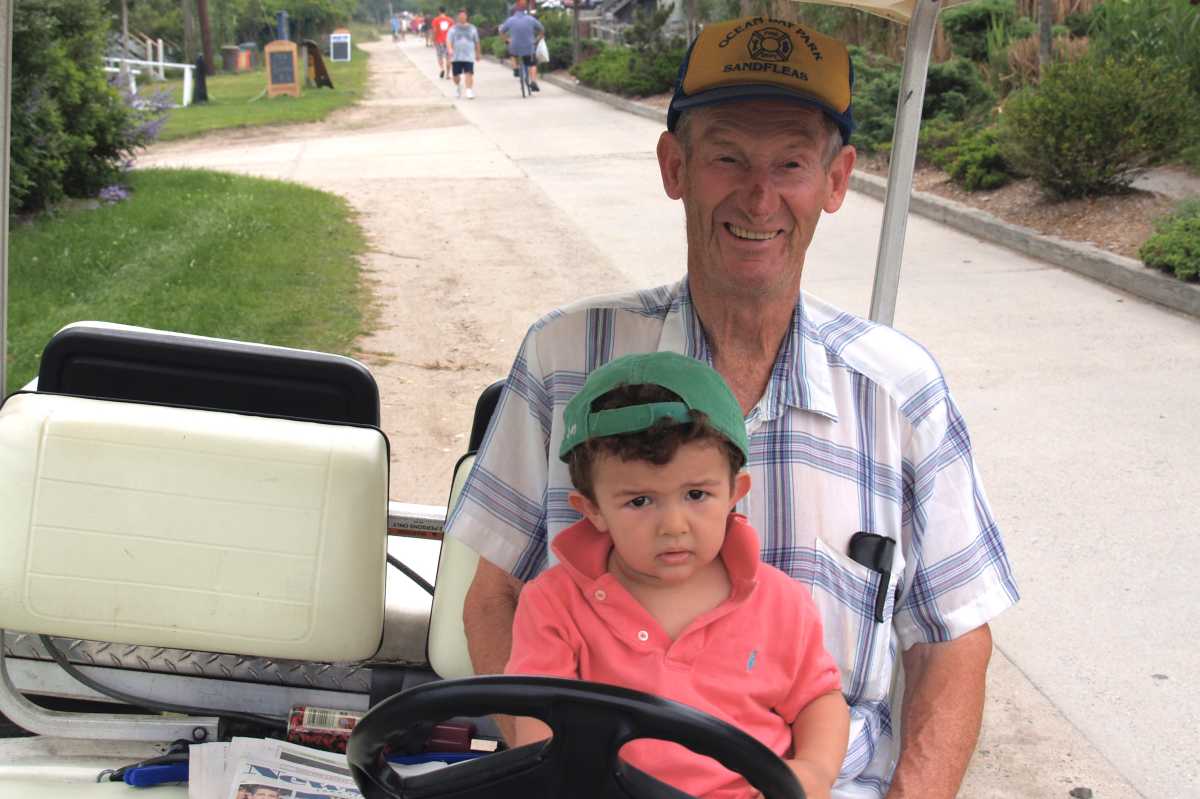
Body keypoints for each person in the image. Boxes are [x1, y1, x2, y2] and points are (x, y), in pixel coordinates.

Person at [447, 15, 1019, 799]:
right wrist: (553, 772)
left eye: (791, 162)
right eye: (727, 157)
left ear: (837, 180)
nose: (759, 195)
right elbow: (496, 596)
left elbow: (951, 641)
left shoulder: (901, 392)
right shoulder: (563, 358)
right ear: (674, 166)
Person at [506, 351, 850, 799]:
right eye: (640, 501)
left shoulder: (782, 602)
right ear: (593, 510)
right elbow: (538, 720)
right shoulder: (554, 603)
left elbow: (817, 700)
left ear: (735, 492)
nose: (673, 526)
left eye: (696, 495)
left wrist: (814, 770)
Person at [499, 0, 544, 92]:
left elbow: (502, 32)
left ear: (515, 10)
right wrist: (537, 40)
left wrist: (507, 40)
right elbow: (542, 30)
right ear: (525, 9)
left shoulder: (510, 20)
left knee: (511, 51)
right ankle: (533, 81)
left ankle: (515, 68)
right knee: (532, 64)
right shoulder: (531, 19)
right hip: (529, 47)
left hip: (515, 47)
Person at [447, 9, 482, 99]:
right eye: (460, 15)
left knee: (469, 73)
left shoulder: (472, 28)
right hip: (456, 56)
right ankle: (458, 86)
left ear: (467, 17)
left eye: (464, 15)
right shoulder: (453, 28)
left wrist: (478, 53)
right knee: (456, 76)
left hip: (469, 55)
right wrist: (450, 49)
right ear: (458, 17)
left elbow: (477, 41)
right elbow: (449, 40)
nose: (462, 17)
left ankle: (469, 90)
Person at [431, 7, 454, 79]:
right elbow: (453, 32)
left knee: (439, 56)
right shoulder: (450, 20)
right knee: (448, 58)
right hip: (448, 41)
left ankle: (442, 68)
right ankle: (448, 75)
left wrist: (433, 39)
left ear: (439, 11)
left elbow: (434, 31)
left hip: (439, 41)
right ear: (445, 11)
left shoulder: (436, 20)